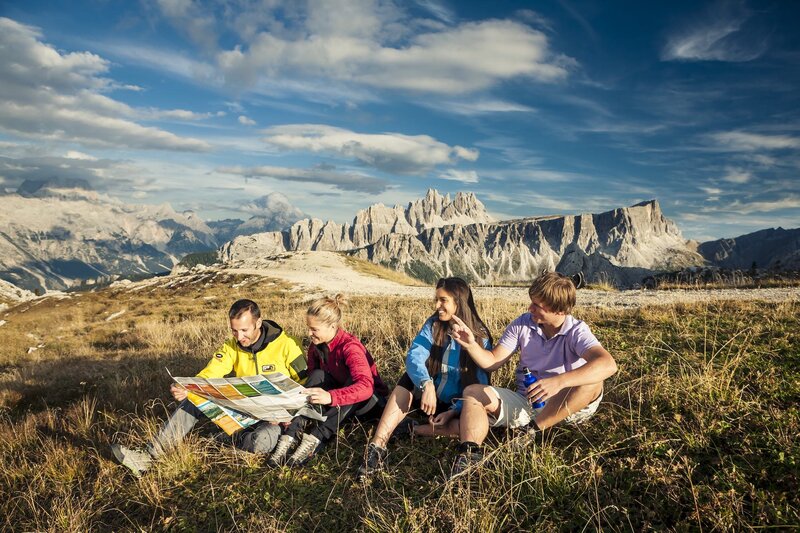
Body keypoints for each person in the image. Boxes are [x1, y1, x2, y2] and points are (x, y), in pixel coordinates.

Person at [448, 272, 618, 478]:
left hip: (568, 406)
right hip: (527, 402)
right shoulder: (523, 324)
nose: (530, 309)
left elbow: (608, 364)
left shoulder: (577, 331)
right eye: (532, 302)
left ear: (560, 310)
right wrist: (472, 345)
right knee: (473, 392)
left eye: (538, 306)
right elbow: (492, 362)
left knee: (594, 381)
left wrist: (559, 382)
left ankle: (530, 432)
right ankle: (469, 455)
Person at [111, 299, 307, 476]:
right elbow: (211, 372)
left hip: (277, 419)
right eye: (234, 330)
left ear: (258, 323)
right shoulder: (231, 346)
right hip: (244, 410)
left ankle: (225, 438)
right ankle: (149, 456)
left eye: (244, 330)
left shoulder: (288, 345)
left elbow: (306, 387)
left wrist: (289, 416)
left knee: (260, 442)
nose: (239, 337)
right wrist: (187, 387)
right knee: (194, 399)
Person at [356, 277, 493, 481]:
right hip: (429, 397)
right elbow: (414, 356)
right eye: (436, 299)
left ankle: (413, 428)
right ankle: (377, 446)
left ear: (459, 301)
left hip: (456, 406)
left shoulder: (480, 337)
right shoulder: (433, 325)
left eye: (443, 300)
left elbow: (480, 385)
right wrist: (426, 383)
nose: (437, 305)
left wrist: (452, 412)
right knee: (407, 379)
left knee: (468, 426)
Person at [267, 294, 389, 467]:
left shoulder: (350, 347)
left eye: (314, 329)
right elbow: (315, 379)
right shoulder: (316, 346)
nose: (309, 333)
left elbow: (366, 387)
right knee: (316, 375)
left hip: (370, 405)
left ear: (332, 326)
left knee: (352, 385)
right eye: (308, 327)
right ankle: (291, 434)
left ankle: (317, 437)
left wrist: (331, 397)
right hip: (339, 403)